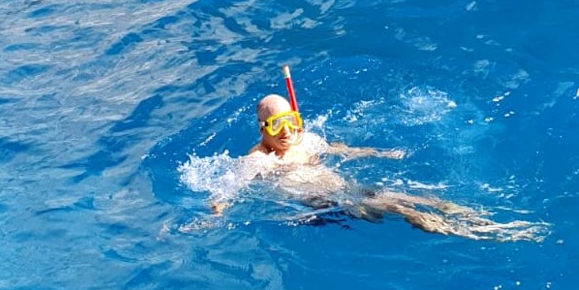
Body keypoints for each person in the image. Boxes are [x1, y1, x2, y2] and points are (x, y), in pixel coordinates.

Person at [209, 93, 545, 241]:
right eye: (276, 125)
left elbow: (341, 149)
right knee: (404, 210)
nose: (286, 131)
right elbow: (227, 186)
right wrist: (215, 213)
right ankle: (479, 233)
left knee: (415, 198)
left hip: (348, 189)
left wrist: (379, 154)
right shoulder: (260, 159)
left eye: (290, 121)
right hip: (331, 204)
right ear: (262, 129)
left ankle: (474, 217)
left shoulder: (305, 140)